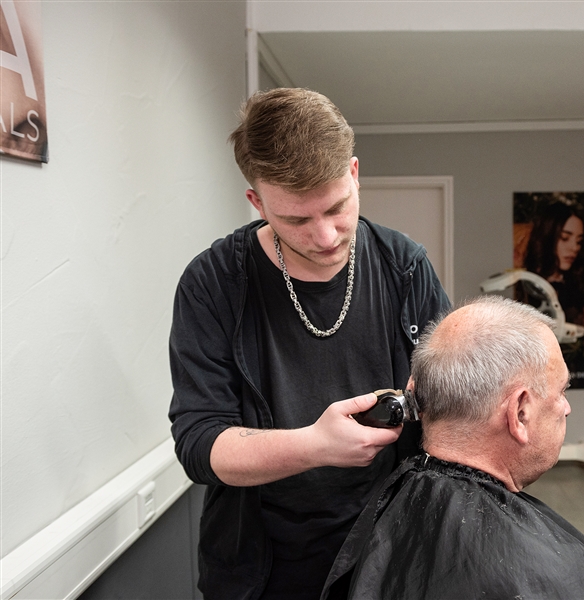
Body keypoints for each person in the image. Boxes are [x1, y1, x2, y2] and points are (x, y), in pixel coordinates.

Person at [168, 88, 450, 600]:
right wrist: (315, 447)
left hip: (388, 558)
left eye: (337, 208)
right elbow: (199, 444)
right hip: (260, 569)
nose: (324, 237)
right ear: (257, 201)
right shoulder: (213, 284)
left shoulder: (403, 266)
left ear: (355, 173)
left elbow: (453, 397)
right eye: (296, 220)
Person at [322, 296, 584, 600]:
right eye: (562, 391)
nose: (566, 408)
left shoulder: (400, 511)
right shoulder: (521, 571)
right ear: (520, 413)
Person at [522, 199, 584, 353]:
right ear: (548, 237)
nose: (574, 248)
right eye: (565, 238)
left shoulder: (583, 288)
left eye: (579, 241)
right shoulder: (526, 283)